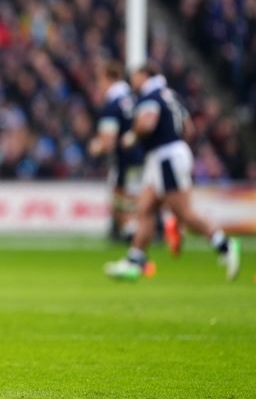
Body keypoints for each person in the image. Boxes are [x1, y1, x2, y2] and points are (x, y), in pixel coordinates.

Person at [103, 63, 240, 281]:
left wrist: (132, 138)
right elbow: (188, 129)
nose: (133, 81)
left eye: (136, 76)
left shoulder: (151, 95)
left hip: (165, 157)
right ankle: (135, 261)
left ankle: (224, 244)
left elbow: (147, 124)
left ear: (146, 75)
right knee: (145, 208)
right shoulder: (170, 95)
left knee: (184, 214)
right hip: (166, 154)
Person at [89, 61, 182, 253]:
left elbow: (108, 141)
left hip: (129, 159)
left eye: (100, 80)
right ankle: (158, 229)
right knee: (148, 198)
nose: (98, 84)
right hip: (146, 156)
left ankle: (135, 237)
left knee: (124, 201)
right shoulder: (134, 98)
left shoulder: (113, 105)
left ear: (109, 78)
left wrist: (96, 147)